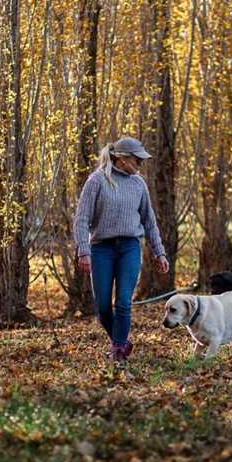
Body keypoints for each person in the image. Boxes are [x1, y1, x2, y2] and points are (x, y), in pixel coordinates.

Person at [74, 137, 170, 364]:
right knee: (104, 307)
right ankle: (122, 342)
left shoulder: (139, 184)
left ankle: (118, 350)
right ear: (122, 158)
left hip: (129, 248)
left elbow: (149, 221)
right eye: (137, 160)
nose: (140, 164)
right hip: (101, 249)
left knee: (124, 301)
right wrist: (83, 251)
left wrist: (160, 252)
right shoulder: (96, 181)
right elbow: (81, 219)